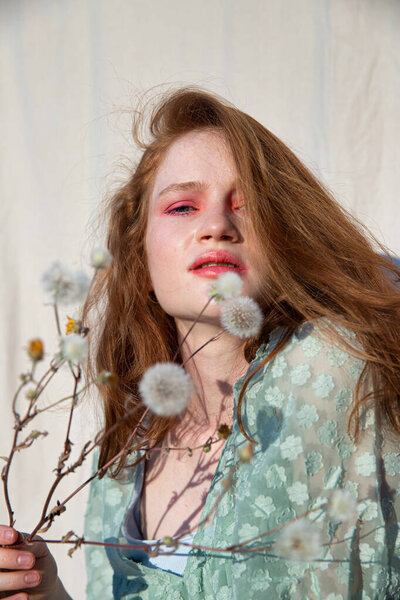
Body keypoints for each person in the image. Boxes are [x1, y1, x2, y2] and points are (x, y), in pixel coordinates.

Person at [1, 86, 400, 600]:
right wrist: (47, 592)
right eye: (183, 206)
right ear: (139, 256)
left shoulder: (335, 366)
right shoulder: (123, 459)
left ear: (286, 239)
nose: (216, 226)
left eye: (247, 206)